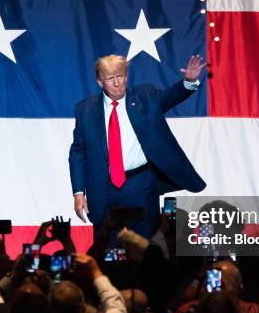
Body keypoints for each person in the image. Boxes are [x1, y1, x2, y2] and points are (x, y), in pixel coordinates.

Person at [69, 55, 207, 238]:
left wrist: (189, 81)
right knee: (107, 253)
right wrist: (78, 192)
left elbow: (171, 97)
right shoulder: (85, 109)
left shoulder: (146, 96)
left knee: (145, 249)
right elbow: (78, 152)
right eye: (110, 79)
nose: (117, 83)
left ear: (126, 76)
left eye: (120, 76)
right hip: (103, 190)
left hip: (141, 185)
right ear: (100, 82)